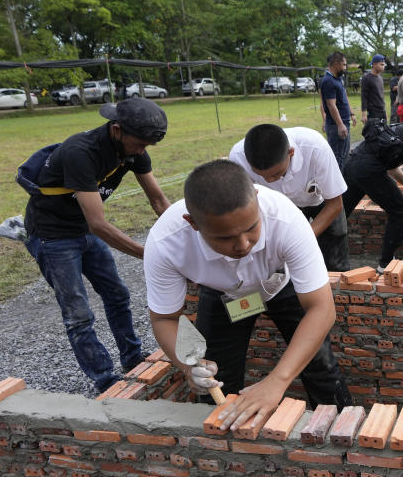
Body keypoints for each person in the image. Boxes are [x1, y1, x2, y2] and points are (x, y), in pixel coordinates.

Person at [144, 159, 352, 430]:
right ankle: (222, 446)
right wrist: (187, 368)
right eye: (224, 238)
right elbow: (164, 318)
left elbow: (322, 309)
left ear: (256, 197)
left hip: (279, 284)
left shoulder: (285, 219)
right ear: (193, 223)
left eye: (252, 227)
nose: (242, 245)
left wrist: (277, 381)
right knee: (216, 377)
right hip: (225, 295)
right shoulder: (166, 243)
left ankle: (342, 431)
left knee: (319, 365)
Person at [22, 99, 171, 393]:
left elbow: (158, 200)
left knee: (117, 294)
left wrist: (189, 232)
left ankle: (132, 359)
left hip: (82, 228)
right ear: (117, 130)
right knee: (78, 314)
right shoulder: (81, 151)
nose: (143, 150)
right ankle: (106, 380)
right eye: (140, 143)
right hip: (52, 234)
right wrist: (148, 254)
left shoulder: (134, 150)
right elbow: (99, 225)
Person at [228, 124, 350, 271]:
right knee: (284, 262)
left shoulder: (315, 148)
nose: (269, 181)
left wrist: (301, 239)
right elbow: (244, 206)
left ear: (291, 153)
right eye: (261, 176)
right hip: (281, 207)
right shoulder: (237, 157)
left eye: (275, 174)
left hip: (321, 201)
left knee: (335, 243)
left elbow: (335, 204)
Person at [341, 140, 403, 268]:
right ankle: (386, 263)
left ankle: (323, 258)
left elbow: (392, 170)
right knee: (399, 211)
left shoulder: (393, 136)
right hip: (367, 170)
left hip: (352, 162)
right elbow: (395, 168)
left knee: (339, 213)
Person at [320, 51, 355, 169]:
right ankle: (337, 187)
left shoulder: (337, 79)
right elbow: (331, 105)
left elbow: (344, 98)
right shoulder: (328, 81)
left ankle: (344, 185)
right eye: (344, 65)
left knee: (344, 157)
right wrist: (340, 125)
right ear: (335, 64)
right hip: (336, 127)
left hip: (344, 123)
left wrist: (352, 114)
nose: (345, 68)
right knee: (338, 159)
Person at [361, 53, 387, 123]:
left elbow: (381, 95)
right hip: (373, 112)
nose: (383, 66)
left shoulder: (380, 78)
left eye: (384, 65)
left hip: (382, 110)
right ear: (374, 64)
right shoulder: (366, 78)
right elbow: (364, 96)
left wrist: (384, 111)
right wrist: (363, 114)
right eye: (381, 64)